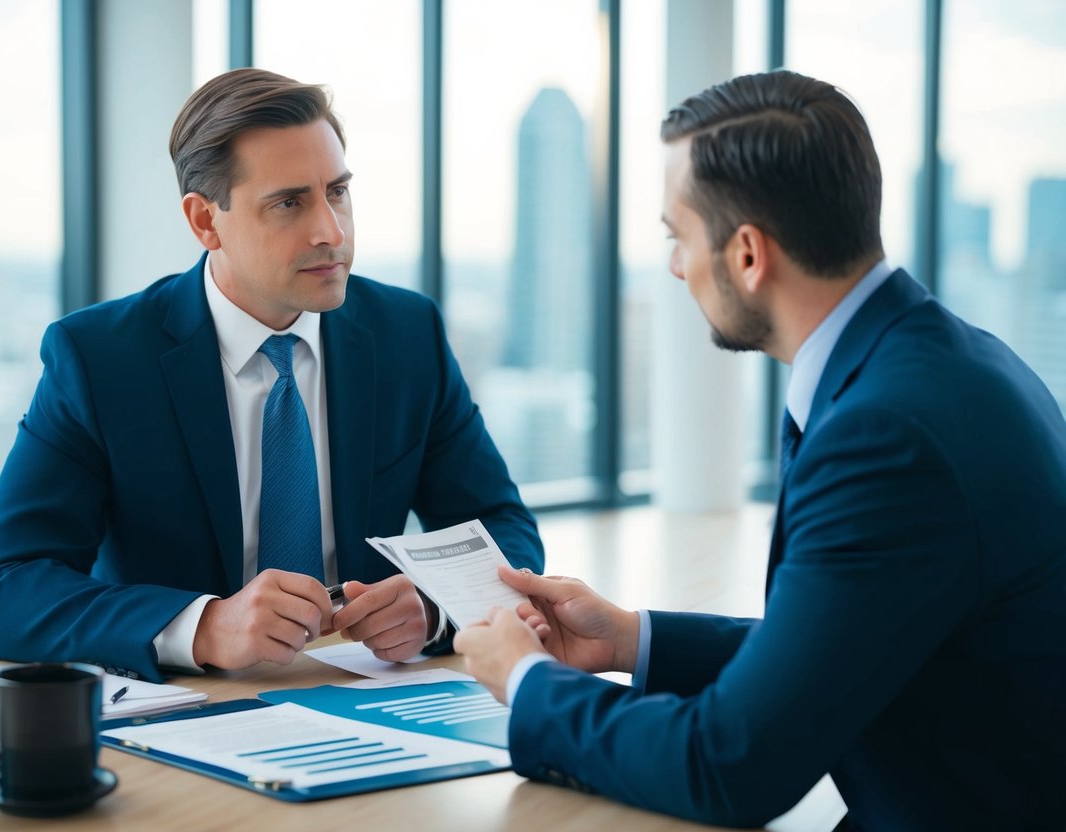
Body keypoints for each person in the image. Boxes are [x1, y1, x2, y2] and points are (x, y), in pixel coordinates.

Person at [454, 70, 1066, 830]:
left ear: (746, 254)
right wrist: (629, 637)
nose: (675, 267)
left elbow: (727, 766)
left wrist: (525, 679)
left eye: (678, 237)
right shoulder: (951, 362)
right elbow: (851, 642)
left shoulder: (885, 438)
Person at [0, 68, 543, 683]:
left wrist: (433, 604)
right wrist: (205, 625)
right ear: (205, 222)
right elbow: (3, 590)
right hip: (180, 717)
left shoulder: (406, 335)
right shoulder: (100, 358)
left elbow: (503, 528)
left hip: (361, 699)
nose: (332, 231)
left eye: (338, 192)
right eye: (290, 202)